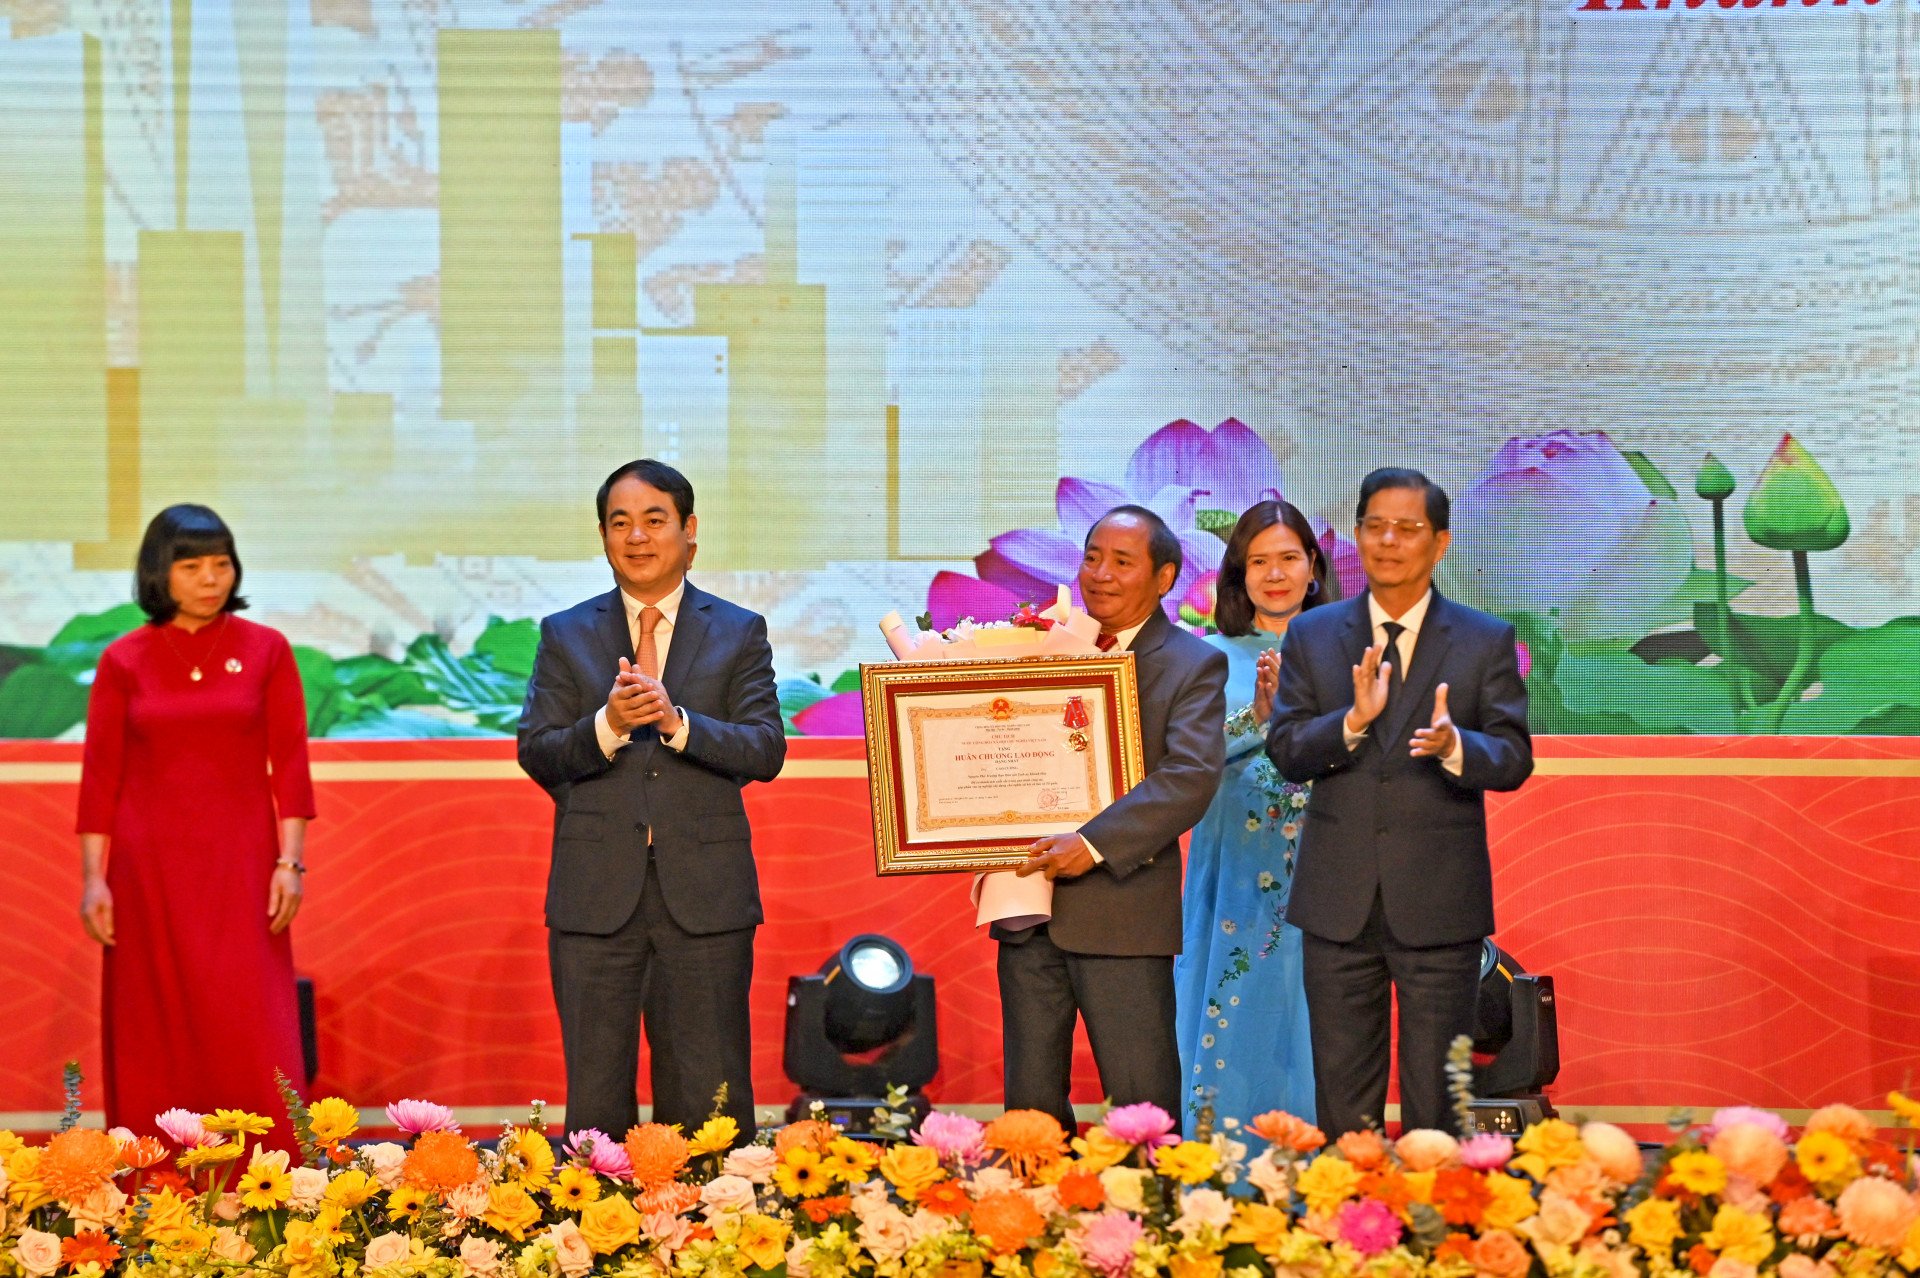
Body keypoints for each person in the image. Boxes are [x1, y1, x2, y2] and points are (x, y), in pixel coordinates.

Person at [518, 459, 784, 1144]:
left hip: (706, 898)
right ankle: (598, 1244)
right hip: (594, 895)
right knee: (597, 1098)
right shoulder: (566, 633)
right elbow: (538, 752)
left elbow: (764, 750)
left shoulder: (738, 630)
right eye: (619, 522)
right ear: (604, 537)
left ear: (689, 531)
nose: (637, 536)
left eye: (654, 519)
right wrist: (608, 724)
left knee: (710, 1094)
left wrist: (676, 723)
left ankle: (710, 1241)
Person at [1266, 468, 1532, 1137]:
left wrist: (1454, 746)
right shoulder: (1314, 635)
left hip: (1440, 905)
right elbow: (1288, 750)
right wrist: (1350, 724)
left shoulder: (1483, 639)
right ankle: (1353, 1226)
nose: (1389, 541)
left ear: (1439, 543)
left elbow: (1513, 757)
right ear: (1357, 534)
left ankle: (1432, 1229)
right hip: (1336, 901)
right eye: (1375, 526)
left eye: (1407, 528)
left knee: (1438, 1099)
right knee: (1343, 1097)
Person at [77, 505, 314, 1144]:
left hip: (241, 865)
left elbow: (290, 764)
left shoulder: (266, 649)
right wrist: (93, 881)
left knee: (248, 1018)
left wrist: (290, 863)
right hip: (145, 869)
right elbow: (101, 776)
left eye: (221, 563)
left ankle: (269, 1180)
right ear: (161, 572)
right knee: (152, 1021)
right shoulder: (124, 659)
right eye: (191, 566)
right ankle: (154, 1187)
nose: (210, 578)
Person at [1000, 504, 1228, 1134]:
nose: (1099, 573)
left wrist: (1092, 844)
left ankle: (1150, 1226)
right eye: (1092, 556)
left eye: (1122, 562)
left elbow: (1188, 778)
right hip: (1027, 909)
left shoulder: (1191, 664)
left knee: (1142, 1111)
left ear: (1164, 577)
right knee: (1029, 1113)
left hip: (1123, 915)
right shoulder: (1036, 647)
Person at [1174, 500, 1327, 1134]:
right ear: (1236, 575)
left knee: (1313, 1020)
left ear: (1313, 566)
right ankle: (1214, 1174)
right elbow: (1180, 763)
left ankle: (1310, 1183)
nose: (1275, 574)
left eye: (1288, 558)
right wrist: (1255, 721)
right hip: (1231, 865)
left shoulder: (1346, 648)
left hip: (1323, 868)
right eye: (1258, 561)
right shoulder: (1205, 657)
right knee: (1226, 1011)